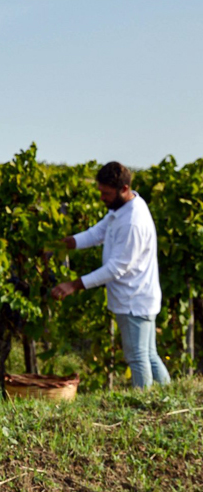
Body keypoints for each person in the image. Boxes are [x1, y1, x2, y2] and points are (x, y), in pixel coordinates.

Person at [48, 161, 169, 388]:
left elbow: (116, 269)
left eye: (106, 193)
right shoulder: (122, 209)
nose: (102, 197)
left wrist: (74, 285)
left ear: (124, 189)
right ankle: (167, 397)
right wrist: (64, 244)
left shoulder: (133, 221)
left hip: (134, 300)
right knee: (148, 354)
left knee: (137, 357)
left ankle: (147, 405)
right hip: (137, 296)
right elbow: (97, 233)